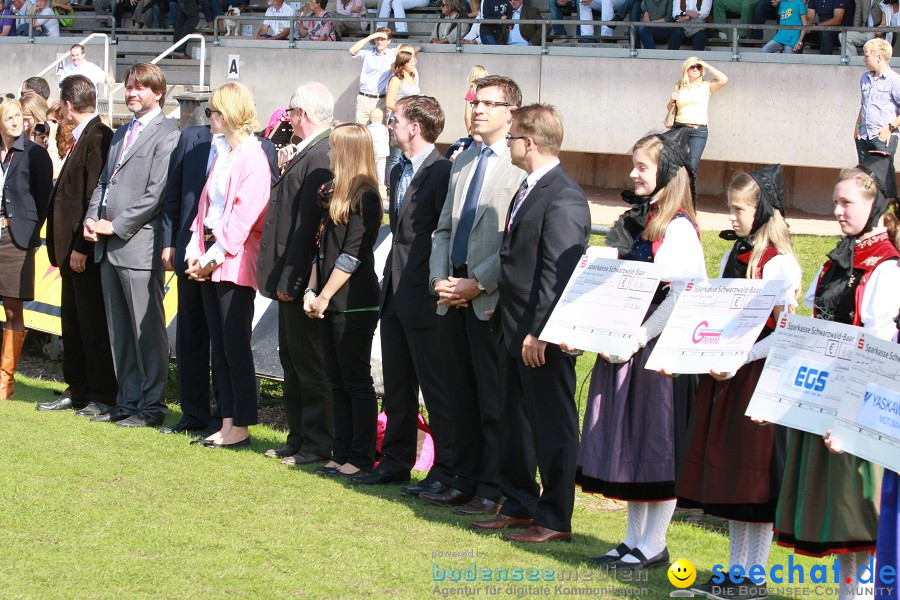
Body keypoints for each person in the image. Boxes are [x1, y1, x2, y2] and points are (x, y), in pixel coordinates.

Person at [574, 129, 706, 569]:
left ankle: (654, 543)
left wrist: (639, 337)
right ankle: (633, 539)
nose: (633, 174)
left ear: (667, 171)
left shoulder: (679, 229)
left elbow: (681, 295)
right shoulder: (642, 220)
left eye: (642, 167)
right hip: (626, 344)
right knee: (629, 441)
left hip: (655, 350)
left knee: (654, 443)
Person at [776, 156, 900, 600]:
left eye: (846, 202)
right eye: (835, 202)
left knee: (861, 518)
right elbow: (813, 330)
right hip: (827, 404)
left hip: (862, 412)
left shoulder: (886, 268)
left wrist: (848, 419)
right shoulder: (836, 262)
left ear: (876, 205)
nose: (837, 210)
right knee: (841, 521)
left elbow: (879, 351)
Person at [675, 165, 801, 598]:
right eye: (731, 209)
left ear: (762, 210)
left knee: (753, 479)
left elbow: (784, 331)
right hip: (725, 376)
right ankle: (735, 569)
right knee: (730, 476)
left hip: (756, 378)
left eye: (739, 209)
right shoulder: (735, 255)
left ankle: (755, 574)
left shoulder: (781, 265)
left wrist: (740, 357)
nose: (732, 217)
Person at [473, 104, 590, 543]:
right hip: (512, 327)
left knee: (552, 427)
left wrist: (541, 331)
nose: (509, 143)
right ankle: (519, 505)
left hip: (540, 335)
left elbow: (557, 273)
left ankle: (555, 519)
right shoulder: (530, 186)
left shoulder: (564, 195)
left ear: (531, 142)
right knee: (515, 423)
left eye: (514, 137)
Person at [423, 76, 526, 515]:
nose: (478, 109)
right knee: (458, 396)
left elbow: (516, 244)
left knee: (493, 400)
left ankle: (492, 487)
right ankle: (461, 479)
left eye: (489, 103)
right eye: (475, 101)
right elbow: (443, 229)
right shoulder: (462, 161)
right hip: (453, 295)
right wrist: (440, 280)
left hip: (490, 299)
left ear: (511, 112)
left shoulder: (522, 166)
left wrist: (477, 282)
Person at [350, 95, 456, 494]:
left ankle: (445, 469)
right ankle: (394, 461)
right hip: (393, 291)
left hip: (426, 295)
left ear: (415, 127)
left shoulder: (443, 171)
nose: (389, 124)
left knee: (435, 387)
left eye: (395, 120)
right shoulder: (398, 170)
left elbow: (441, 236)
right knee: (397, 385)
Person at [162, 105, 278, 439]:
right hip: (211, 261)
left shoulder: (253, 156)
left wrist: (209, 257)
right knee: (222, 348)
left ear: (227, 115)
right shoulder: (227, 153)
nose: (208, 115)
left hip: (234, 263)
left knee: (233, 347)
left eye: (213, 110)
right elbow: (204, 209)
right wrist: (195, 253)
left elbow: (243, 217)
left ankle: (238, 425)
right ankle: (227, 422)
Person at [83, 62, 180, 428]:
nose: (131, 93)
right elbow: (104, 183)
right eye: (128, 87)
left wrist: (115, 225)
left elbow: (156, 195)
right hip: (108, 247)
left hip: (139, 247)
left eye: (139, 87)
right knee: (119, 331)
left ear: (157, 91)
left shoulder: (167, 134)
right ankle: (127, 400)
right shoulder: (123, 132)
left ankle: (152, 406)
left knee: (146, 332)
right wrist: (92, 219)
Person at [257, 82, 334, 466]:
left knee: (308, 362)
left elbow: (310, 227)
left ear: (301, 114)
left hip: (301, 278)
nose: (287, 119)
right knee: (292, 359)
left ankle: (317, 443)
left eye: (290, 113)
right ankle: (299, 436)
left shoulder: (323, 153)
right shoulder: (309, 151)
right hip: (287, 275)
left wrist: (295, 280)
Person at [35, 75, 117, 415]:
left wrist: (84, 247)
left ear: (68, 105)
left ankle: (100, 394)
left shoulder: (99, 136)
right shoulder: (86, 135)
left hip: (83, 249)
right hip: (69, 250)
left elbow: (94, 198)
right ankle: (79, 389)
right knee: (73, 322)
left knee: (91, 324)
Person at [304, 123, 382, 478]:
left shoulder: (365, 196)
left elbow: (351, 255)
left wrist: (324, 295)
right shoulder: (333, 192)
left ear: (349, 152)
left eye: (335, 149)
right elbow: (321, 249)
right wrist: (311, 290)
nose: (330, 155)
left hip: (355, 300)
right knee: (335, 380)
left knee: (355, 380)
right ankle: (341, 452)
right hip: (329, 297)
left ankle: (360, 457)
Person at [0, 98, 52, 401]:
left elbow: (43, 199)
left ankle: (6, 381)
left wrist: (28, 231)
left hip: (15, 239)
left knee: (12, 309)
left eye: (19, 116)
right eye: (9, 118)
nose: (16, 122)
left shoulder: (35, 154)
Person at [854, 38, 900, 201]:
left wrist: (889, 128)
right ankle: (870, 217)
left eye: (867, 56)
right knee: (865, 179)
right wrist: (858, 125)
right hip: (864, 135)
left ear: (879, 57)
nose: (864, 59)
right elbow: (864, 104)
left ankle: (892, 217)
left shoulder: (895, 81)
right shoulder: (864, 78)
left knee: (883, 178)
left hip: (882, 137)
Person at [668, 57, 728, 176]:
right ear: (686, 68)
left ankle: (689, 194)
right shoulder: (679, 86)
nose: (695, 69)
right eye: (692, 66)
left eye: (698, 67)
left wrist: (706, 65)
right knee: (676, 164)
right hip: (679, 128)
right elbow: (671, 108)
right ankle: (674, 192)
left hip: (698, 131)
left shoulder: (706, 85)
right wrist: (671, 102)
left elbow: (723, 80)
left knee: (692, 166)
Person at [384, 50, 419, 191]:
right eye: (411, 61)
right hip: (399, 121)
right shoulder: (396, 80)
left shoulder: (412, 77)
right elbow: (389, 103)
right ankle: (390, 189)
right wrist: (405, 112)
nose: (414, 63)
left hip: (411, 121)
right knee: (395, 157)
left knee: (408, 155)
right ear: (404, 64)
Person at [349, 28, 397, 125]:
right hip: (364, 98)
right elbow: (352, 50)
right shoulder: (368, 52)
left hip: (381, 100)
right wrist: (371, 37)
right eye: (377, 39)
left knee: (380, 132)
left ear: (389, 41)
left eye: (382, 39)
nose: (379, 41)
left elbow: (411, 50)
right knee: (361, 132)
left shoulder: (393, 53)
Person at [366, 107, 389, 190]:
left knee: (370, 168)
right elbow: (387, 139)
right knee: (381, 169)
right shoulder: (383, 128)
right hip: (382, 152)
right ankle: (381, 184)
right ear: (381, 118)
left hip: (372, 152)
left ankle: (370, 182)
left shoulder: (368, 128)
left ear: (370, 118)